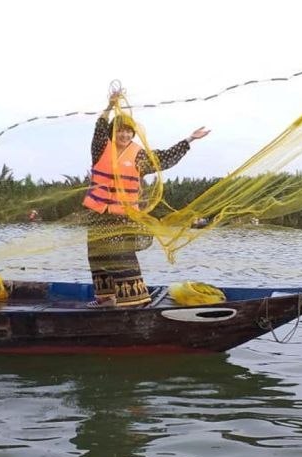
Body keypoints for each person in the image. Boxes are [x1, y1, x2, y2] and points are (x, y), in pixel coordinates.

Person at [83, 93, 210, 308]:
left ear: (133, 133)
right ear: (113, 132)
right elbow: (99, 127)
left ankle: (133, 299)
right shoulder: (101, 149)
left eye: (128, 131)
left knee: (122, 255)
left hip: (123, 216)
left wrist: (189, 139)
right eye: (120, 130)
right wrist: (109, 106)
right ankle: (106, 298)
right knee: (97, 255)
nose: (124, 134)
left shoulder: (139, 155)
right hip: (98, 213)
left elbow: (166, 158)